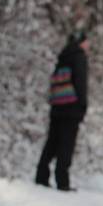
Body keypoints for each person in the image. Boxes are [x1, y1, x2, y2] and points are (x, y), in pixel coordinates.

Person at [35, 30, 89, 191]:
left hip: (57, 107)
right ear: (81, 42)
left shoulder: (63, 57)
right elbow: (80, 83)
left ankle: (41, 177)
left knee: (52, 142)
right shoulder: (79, 57)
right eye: (86, 41)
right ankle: (62, 182)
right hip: (71, 109)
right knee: (66, 144)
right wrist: (82, 106)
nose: (88, 45)